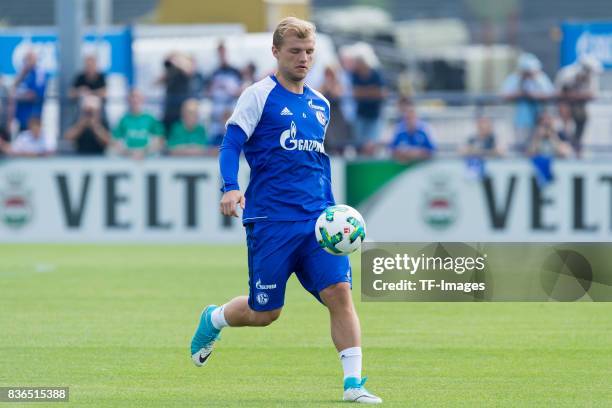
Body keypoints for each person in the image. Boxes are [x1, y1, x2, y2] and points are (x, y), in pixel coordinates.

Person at [189, 17, 382, 404]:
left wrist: (336, 215)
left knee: (340, 294)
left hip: (317, 223)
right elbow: (231, 145)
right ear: (276, 52)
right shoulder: (258, 95)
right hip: (271, 221)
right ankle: (215, 318)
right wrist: (230, 187)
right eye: (295, 51)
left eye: (309, 52)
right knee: (266, 313)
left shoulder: (320, 104)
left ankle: (353, 386)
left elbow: (315, 164)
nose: (303, 58)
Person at [500, 53, 554, 151]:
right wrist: (521, 92)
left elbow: (550, 93)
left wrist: (534, 94)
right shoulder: (514, 78)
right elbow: (505, 94)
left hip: (538, 118)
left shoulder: (541, 78)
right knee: (521, 143)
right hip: (519, 119)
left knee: (537, 142)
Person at [555, 55, 602, 156]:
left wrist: (574, 96)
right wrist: (572, 98)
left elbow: (592, 94)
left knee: (580, 125)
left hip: (579, 109)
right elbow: (559, 93)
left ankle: (576, 148)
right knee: (563, 131)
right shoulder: (566, 74)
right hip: (564, 108)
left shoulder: (590, 78)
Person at [111, 90, 164, 159]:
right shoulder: (123, 120)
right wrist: (130, 153)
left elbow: (159, 140)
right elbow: (115, 141)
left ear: (143, 99)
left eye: (138, 97)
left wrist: (144, 152)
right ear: (128, 100)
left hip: (148, 159)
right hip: (127, 158)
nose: (135, 100)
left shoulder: (150, 119)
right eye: (132, 97)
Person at [208, 42, 243, 145]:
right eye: (220, 52)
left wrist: (230, 89)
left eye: (223, 52)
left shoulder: (235, 71)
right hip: (217, 109)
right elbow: (208, 91)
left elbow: (241, 90)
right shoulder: (214, 72)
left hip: (230, 108)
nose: (222, 55)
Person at [351, 52, 385, 156]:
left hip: (374, 114)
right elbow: (355, 93)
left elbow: (382, 93)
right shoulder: (355, 74)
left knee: (373, 144)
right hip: (361, 115)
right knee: (360, 145)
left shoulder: (376, 73)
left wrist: (363, 92)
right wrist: (372, 91)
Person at [11, 51, 49, 131]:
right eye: (25, 60)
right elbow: (13, 89)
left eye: (29, 59)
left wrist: (19, 96)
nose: (26, 62)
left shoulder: (39, 73)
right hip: (21, 116)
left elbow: (33, 95)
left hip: (33, 116)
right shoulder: (22, 73)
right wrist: (22, 74)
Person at [320, 65, 353, 155]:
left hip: (337, 117)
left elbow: (337, 94)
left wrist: (330, 85)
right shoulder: (323, 84)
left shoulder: (338, 85)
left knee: (339, 139)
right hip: (328, 116)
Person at [159, 52, 194, 134]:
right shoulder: (171, 74)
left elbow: (189, 70)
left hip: (182, 110)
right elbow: (156, 82)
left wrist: (177, 61)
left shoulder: (185, 71)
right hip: (169, 110)